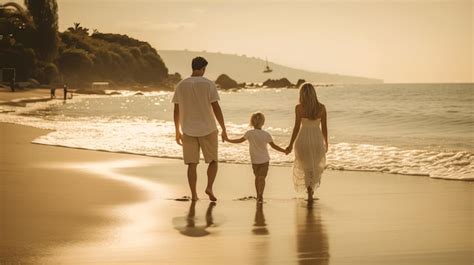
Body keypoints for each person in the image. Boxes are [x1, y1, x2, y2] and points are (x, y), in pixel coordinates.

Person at [172, 56, 227, 201]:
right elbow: (216, 108)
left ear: (192, 67)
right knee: (213, 161)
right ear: (203, 69)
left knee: (192, 164)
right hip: (208, 128)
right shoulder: (209, 84)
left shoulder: (181, 85)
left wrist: (177, 131)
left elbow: (176, 110)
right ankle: (209, 187)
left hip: (188, 129)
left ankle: (194, 195)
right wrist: (223, 128)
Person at [225, 112, 286, 202]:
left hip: (255, 160)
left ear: (252, 122)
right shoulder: (266, 134)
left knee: (258, 178)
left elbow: (239, 140)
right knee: (261, 178)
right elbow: (274, 146)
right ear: (263, 122)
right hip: (264, 159)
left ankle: (259, 195)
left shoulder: (249, 133)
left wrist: (228, 140)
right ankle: (260, 195)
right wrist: (285, 151)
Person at [286, 83, 328, 202]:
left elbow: (296, 128)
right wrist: (326, 143)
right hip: (317, 140)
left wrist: (290, 145)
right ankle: (311, 191)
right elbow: (324, 128)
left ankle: (309, 191)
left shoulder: (299, 108)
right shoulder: (322, 108)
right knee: (315, 167)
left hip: (303, 140)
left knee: (305, 168)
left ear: (302, 94)